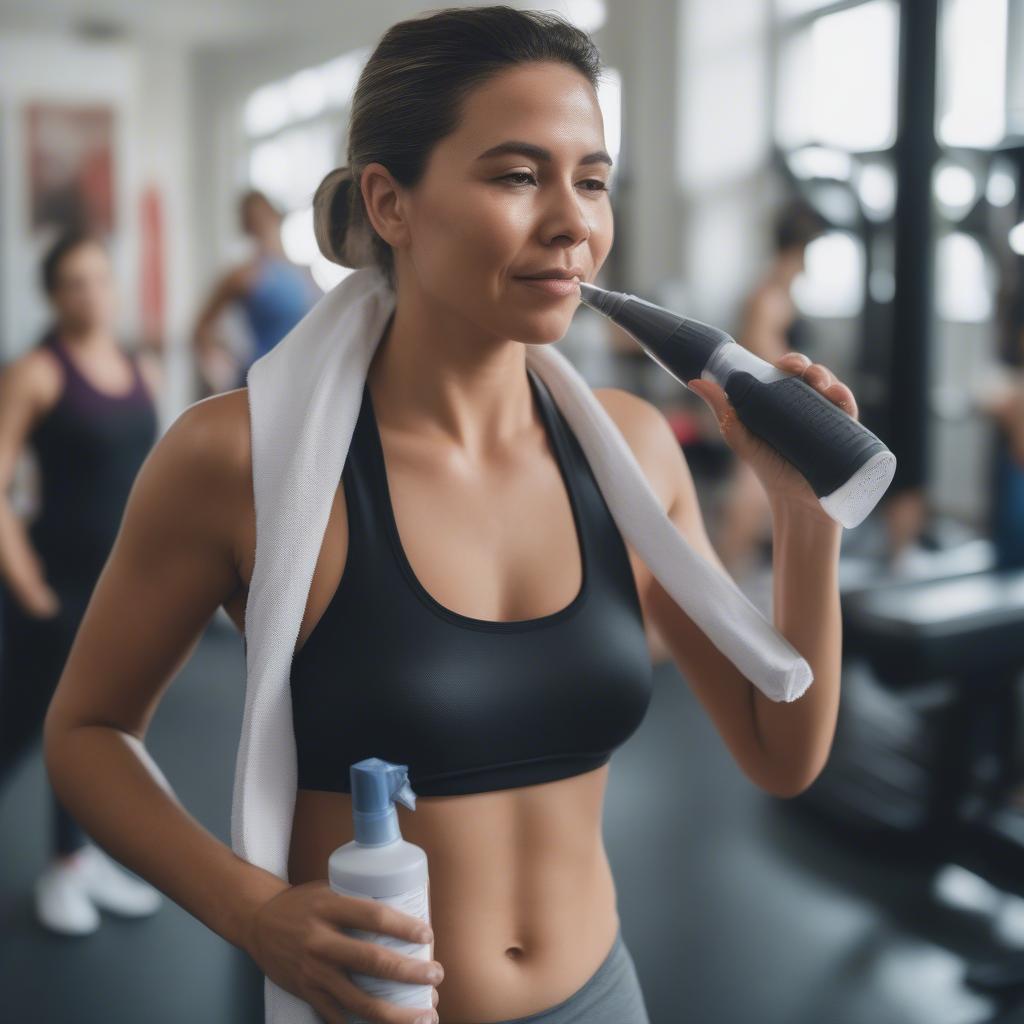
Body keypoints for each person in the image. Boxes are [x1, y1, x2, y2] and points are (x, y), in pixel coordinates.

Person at [42, 8, 853, 1023]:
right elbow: (86, 730)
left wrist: (803, 515)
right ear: (390, 201)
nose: (574, 222)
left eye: (591, 179)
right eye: (518, 175)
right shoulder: (239, 459)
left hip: (601, 996)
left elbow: (782, 752)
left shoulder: (633, 450)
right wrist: (254, 914)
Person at [0, 229, 163, 935]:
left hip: (121, 586)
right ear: (53, 294)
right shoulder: (37, 371)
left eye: (101, 277)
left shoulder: (137, 367)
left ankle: (78, 858)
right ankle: (68, 866)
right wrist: (30, 584)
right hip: (57, 585)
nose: (92, 292)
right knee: (29, 730)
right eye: (76, 281)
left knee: (107, 728)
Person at [713, 198, 827, 577]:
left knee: (759, 496)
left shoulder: (779, 291)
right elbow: (760, 354)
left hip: (772, 406)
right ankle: (721, 587)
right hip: (762, 407)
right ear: (802, 247)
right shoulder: (769, 296)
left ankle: (730, 581)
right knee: (750, 494)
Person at [191, 190, 320, 393]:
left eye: (264, 216)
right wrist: (219, 368)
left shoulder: (303, 274)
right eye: (253, 219)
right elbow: (201, 328)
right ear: (246, 226)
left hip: (304, 381)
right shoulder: (244, 275)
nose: (262, 224)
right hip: (262, 385)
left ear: (275, 216)